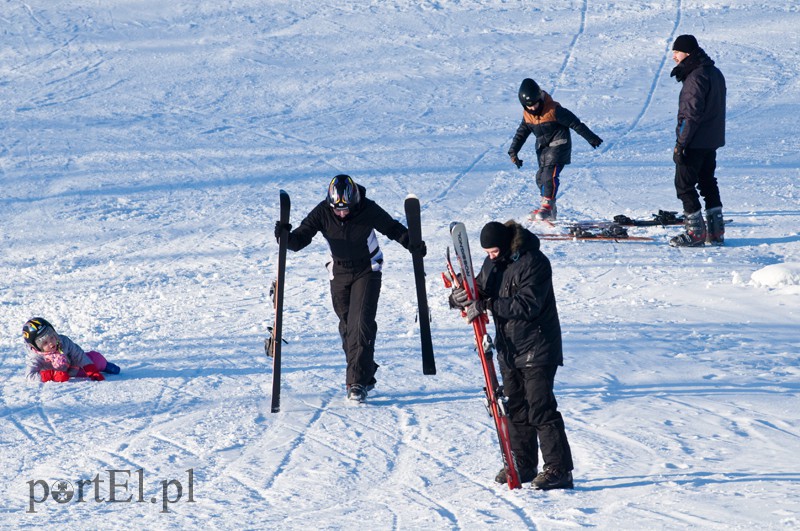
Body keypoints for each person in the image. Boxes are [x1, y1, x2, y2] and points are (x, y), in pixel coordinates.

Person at [274, 175, 426, 403]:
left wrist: (411, 242)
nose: (342, 213)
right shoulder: (322, 212)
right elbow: (299, 240)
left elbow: (392, 228)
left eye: (346, 209)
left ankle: (356, 383)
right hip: (339, 273)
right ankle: (365, 370)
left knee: (360, 324)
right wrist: (284, 236)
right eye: (338, 210)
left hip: (368, 270)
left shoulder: (368, 208)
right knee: (347, 328)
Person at [449, 221, 574, 490]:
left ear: (506, 245)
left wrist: (487, 304)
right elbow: (480, 288)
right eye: (487, 253)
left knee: (540, 408)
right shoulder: (494, 263)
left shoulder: (534, 262)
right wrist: (460, 296)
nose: (490, 256)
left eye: (494, 251)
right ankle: (523, 464)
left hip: (538, 346)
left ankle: (558, 469)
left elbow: (527, 304)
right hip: (509, 348)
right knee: (516, 408)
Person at [508, 78, 603, 221]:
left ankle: (547, 206)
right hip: (543, 150)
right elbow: (521, 133)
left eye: (535, 104)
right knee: (540, 178)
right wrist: (513, 151)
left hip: (559, 146)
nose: (533, 108)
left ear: (540, 97)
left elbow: (576, 124)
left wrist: (591, 138)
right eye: (529, 106)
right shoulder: (527, 115)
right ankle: (548, 209)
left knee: (549, 176)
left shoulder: (554, 110)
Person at [668, 34, 727, 247]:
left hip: (694, 140)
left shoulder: (696, 77)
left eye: (677, 52)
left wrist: (681, 144)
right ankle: (716, 231)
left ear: (689, 53)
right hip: (710, 140)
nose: (674, 57)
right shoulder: (714, 73)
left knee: (683, 185)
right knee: (707, 181)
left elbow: (690, 114)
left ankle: (695, 233)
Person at [23, 317, 121, 383]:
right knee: (81, 373)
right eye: (44, 343)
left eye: (52, 337)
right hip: (69, 373)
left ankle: (105, 365)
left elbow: (78, 354)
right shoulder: (36, 357)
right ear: (36, 346)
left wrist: (91, 370)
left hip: (73, 364)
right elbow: (29, 376)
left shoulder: (63, 341)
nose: (51, 343)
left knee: (96, 358)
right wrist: (51, 375)